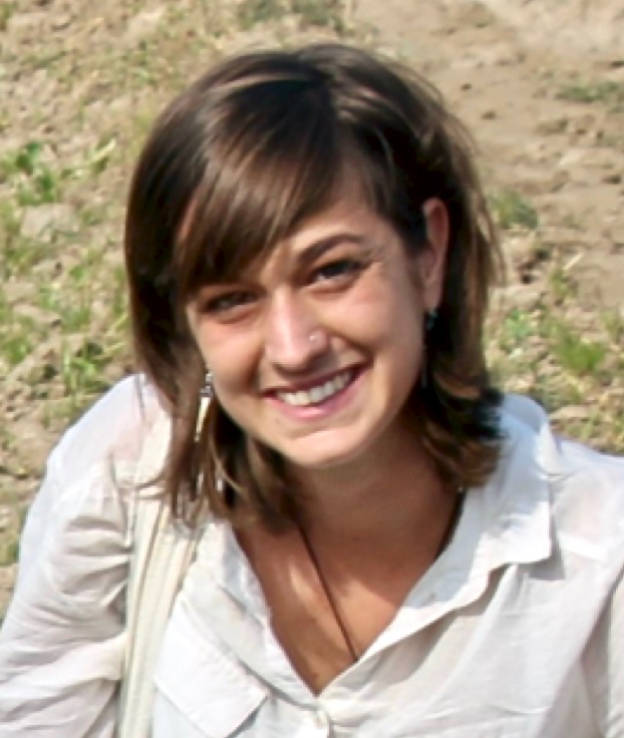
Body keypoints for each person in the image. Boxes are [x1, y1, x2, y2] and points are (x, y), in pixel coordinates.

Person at [0, 43, 622, 737]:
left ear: (428, 254)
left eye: (332, 272)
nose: (293, 347)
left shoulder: (597, 559)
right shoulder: (128, 470)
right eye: (232, 300)